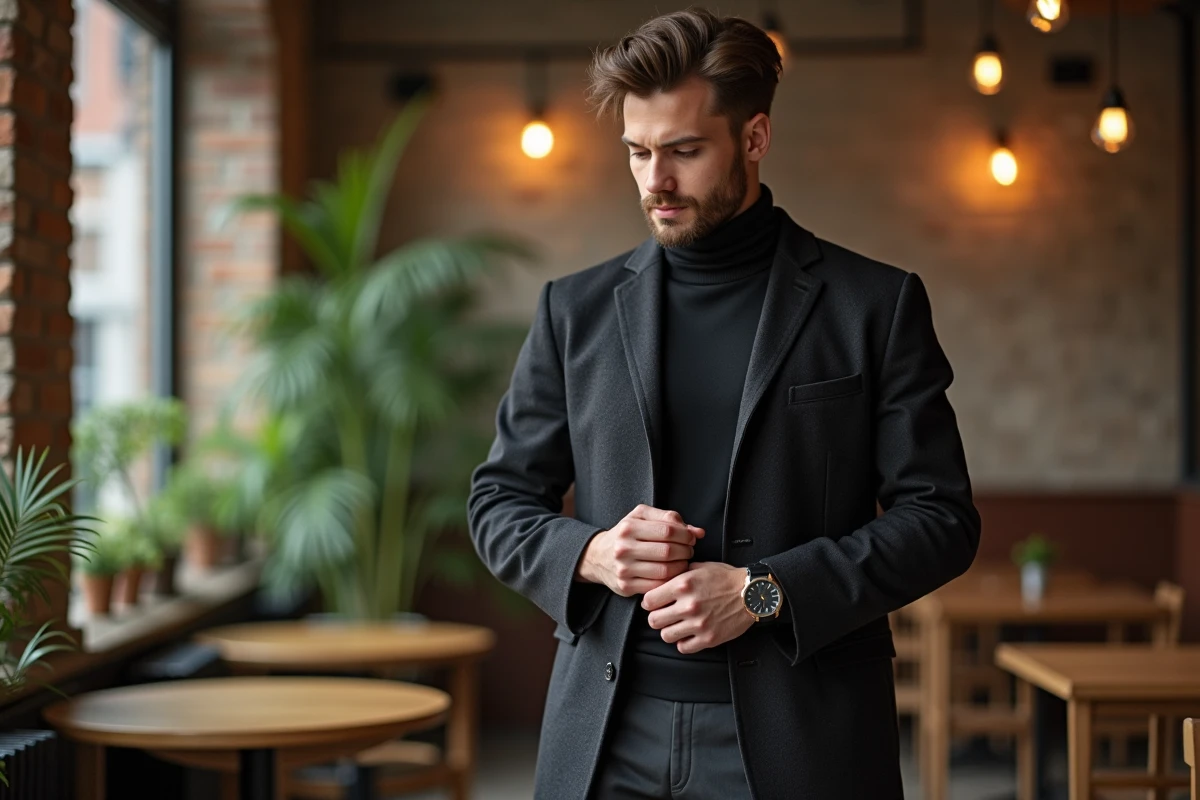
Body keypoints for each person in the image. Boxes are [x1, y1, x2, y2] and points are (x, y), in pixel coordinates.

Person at [467, 8, 980, 799]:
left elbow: (941, 519)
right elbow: (499, 502)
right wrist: (593, 554)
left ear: (755, 138)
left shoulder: (872, 305)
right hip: (605, 738)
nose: (654, 182)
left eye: (683, 152)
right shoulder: (576, 310)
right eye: (637, 153)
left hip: (800, 741)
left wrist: (761, 593)